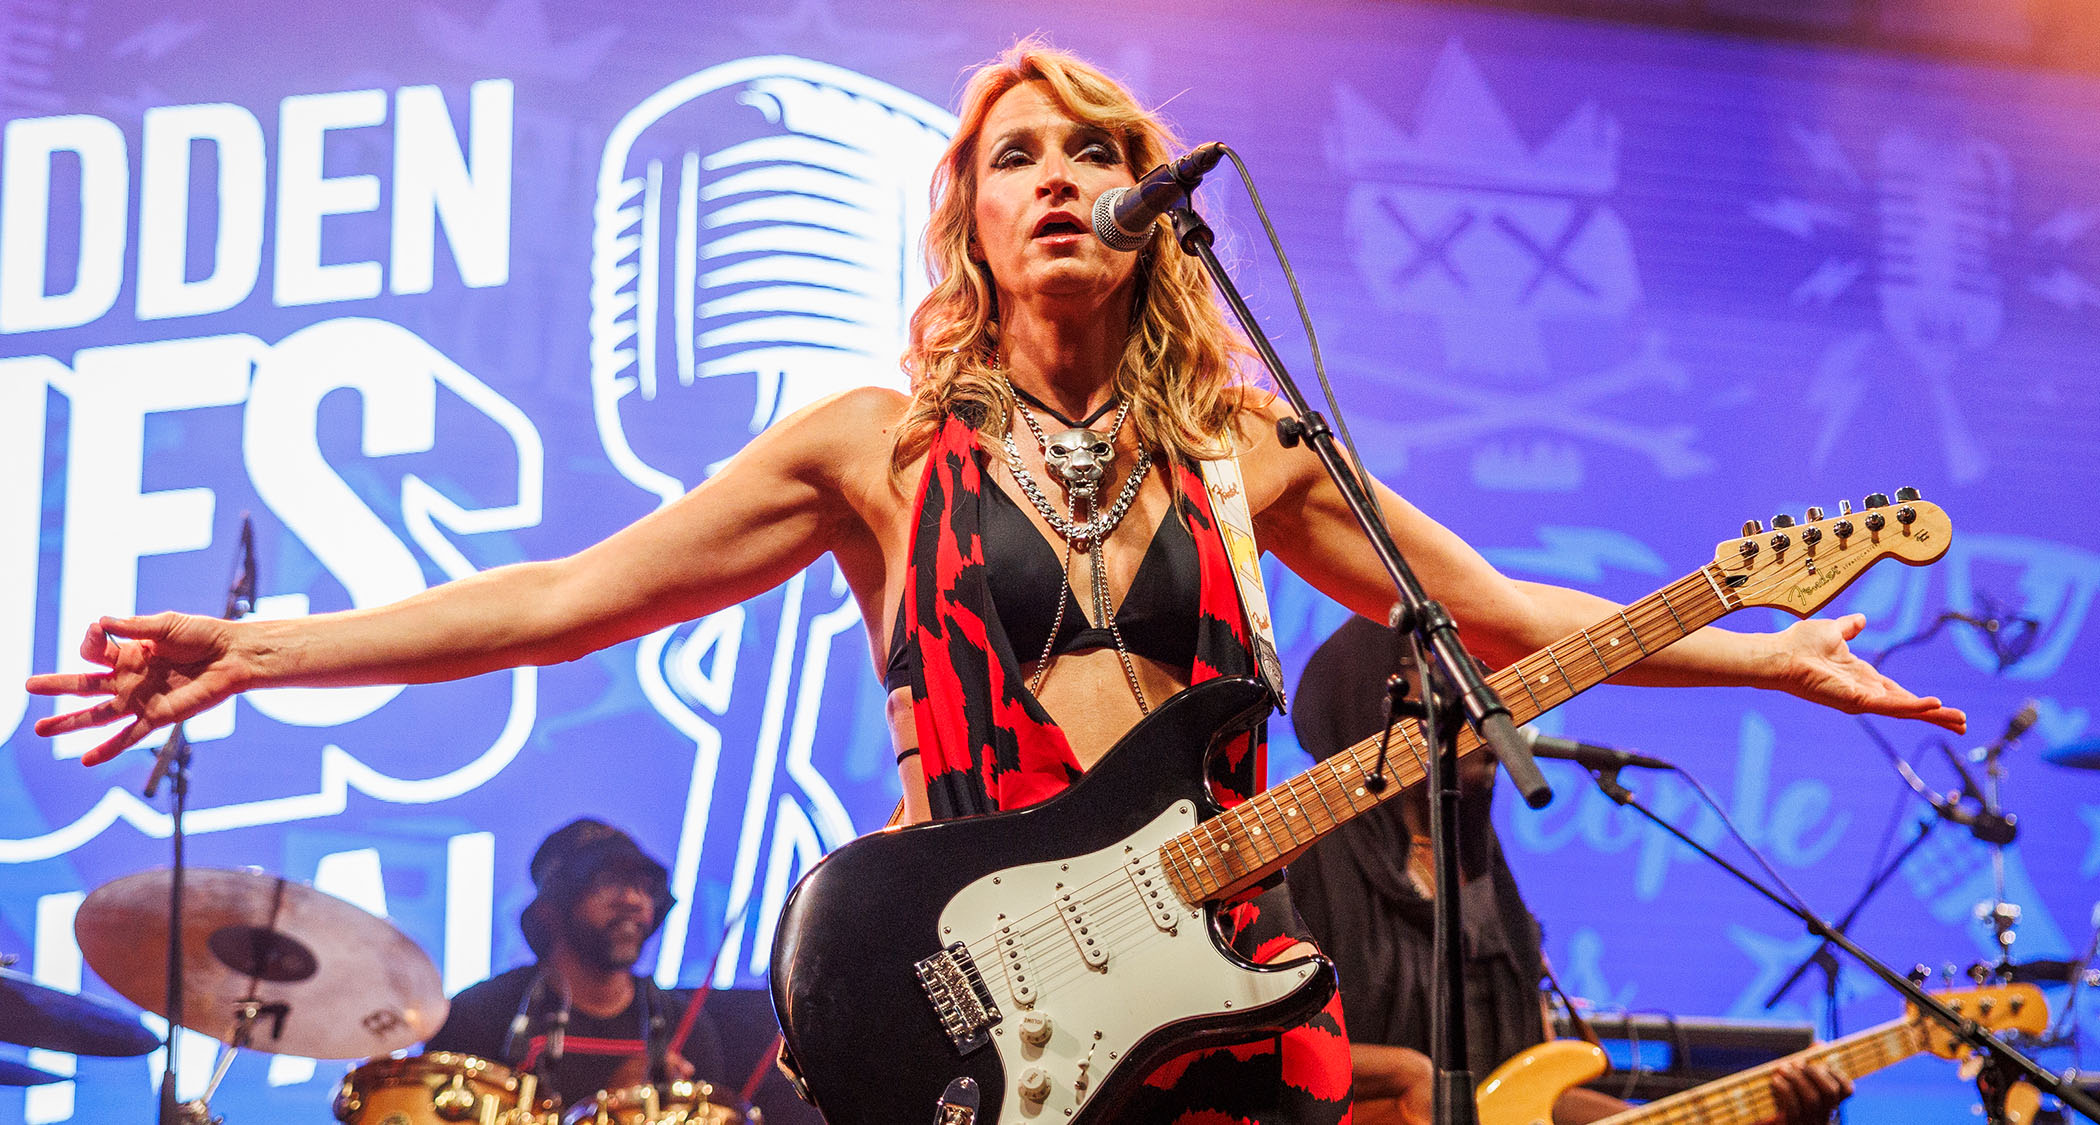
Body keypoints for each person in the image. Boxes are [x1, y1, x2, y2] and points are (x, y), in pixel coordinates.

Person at [28, 37, 1961, 1123]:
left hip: (1225, 1002)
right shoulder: (873, 449)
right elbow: (569, 598)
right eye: (1015, 154)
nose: (1058, 174)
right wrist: (263, 646)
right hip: (976, 1003)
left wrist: (1777, 657)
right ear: (963, 211)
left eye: (1094, 150)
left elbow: (1500, 626)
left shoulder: (1249, 452)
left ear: (1147, 210)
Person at [1288, 616, 1850, 1125]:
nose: (1488, 697)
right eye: (1453, 672)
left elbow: (1534, 1095)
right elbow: (1256, 1047)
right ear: (1369, 695)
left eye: (1487, 673)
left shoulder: (1482, 877)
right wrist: (1406, 1075)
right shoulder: (1300, 864)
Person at [423, 818, 728, 1107]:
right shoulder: (479, 1016)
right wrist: (609, 1109)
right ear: (553, 908)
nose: (634, 900)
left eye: (645, 887)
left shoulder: (684, 1026)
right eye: (607, 882)